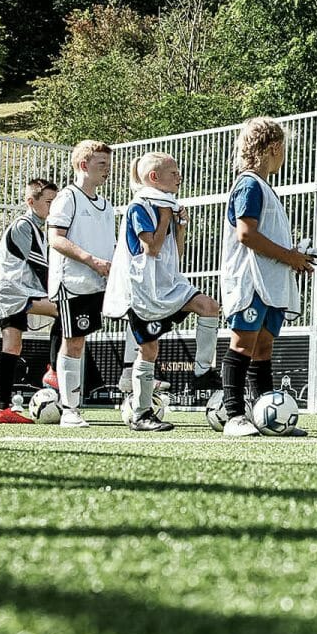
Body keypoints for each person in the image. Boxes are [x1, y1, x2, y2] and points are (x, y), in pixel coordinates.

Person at [104, 152, 224, 432]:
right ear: (154, 177)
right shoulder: (141, 207)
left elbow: (174, 254)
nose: (179, 177)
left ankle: (203, 371)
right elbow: (152, 248)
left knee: (209, 306)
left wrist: (181, 228)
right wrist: (166, 214)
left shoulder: (165, 206)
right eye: (174, 173)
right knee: (149, 350)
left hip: (169, 284)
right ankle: (142, 413)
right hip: (144, 291)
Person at [218, 117, 313, 438]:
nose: (284, 154)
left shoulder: (263, 187)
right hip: (250, 281)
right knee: (243, 344)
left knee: (264, 347)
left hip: (269, 281)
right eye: (283, 148)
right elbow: (246, 234)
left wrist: (294, 256)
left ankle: (263, 416)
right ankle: (233, 415)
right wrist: (289, 256)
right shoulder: (248, 184)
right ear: (274, 147)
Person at [46, 140, 116, 428]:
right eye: (102, 165)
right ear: (83, 165)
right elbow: (56, 239)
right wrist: (92, 261)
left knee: (82, 341)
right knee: (73, 341)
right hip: (72, 283)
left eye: (109, 166)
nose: (107, 171)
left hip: (99, 283)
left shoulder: (106, 205)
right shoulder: (67, 198)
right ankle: (69, 409)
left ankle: (132, 393)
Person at [0, 179, 61, 424]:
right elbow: (40, 267)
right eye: (50, 202)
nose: (54, 207)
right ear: (31, 202)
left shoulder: (37, 228)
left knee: (12, 347)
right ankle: (53, 371)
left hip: (16, 293)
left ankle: (1, 408)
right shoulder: (24, 225)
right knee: (63, 312)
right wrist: (57, 291)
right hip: (14, 294)